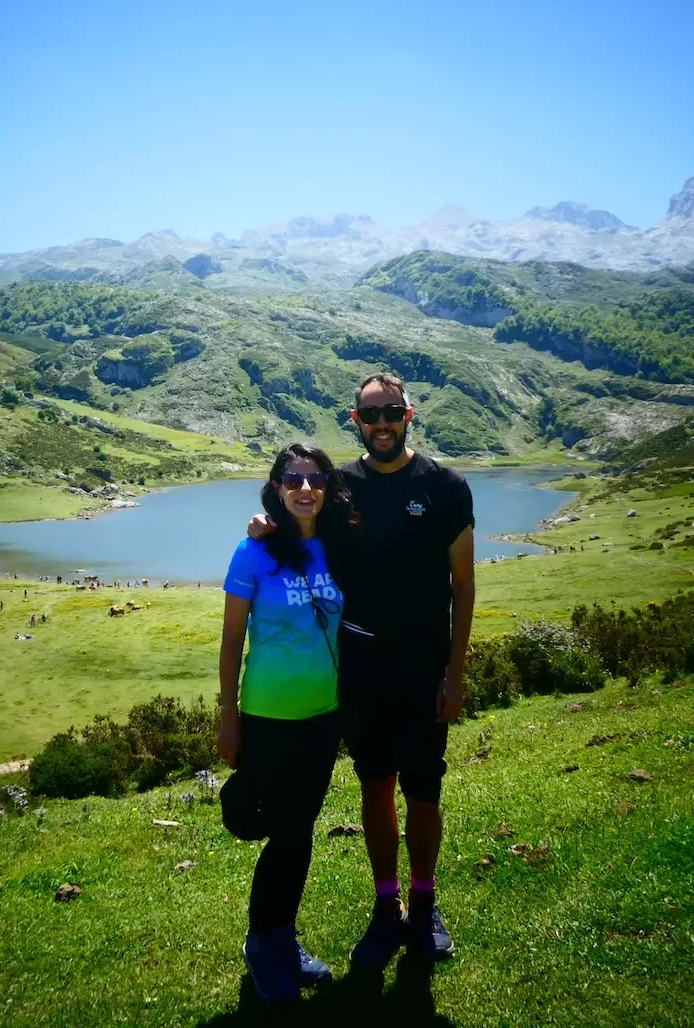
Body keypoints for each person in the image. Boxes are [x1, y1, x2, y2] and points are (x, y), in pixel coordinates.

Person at [249, 371, 475, 968]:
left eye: (391, 412)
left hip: (424, 666)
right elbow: (299, 520)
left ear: (408, 415)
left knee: (423, 790)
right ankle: (386, 907)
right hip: (361, 669)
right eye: (369, 415)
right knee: (375, 786)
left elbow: (463, 584)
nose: (382, 424)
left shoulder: (446, 487)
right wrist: (263, 529)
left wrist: (454, 673)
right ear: (355, 421)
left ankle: (424, 906)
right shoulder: (341, 486)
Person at [218, 443, 351, 1003]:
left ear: (328, 486)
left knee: (301, 830)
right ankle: (262, 942)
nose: (304, 488)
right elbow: (231, 641)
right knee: (286, 831)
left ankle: (283, 938)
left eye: (315, 478)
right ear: (276, 487)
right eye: (292, 479)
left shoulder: (340, 544)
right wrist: (228, 716)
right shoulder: (253, 550)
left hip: (323, 716)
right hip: (267, 714)